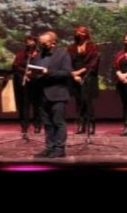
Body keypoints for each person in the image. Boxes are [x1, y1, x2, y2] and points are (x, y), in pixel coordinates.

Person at [31, 31, 73, 159]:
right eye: (40, 43)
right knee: (47, 123)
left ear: (52, 42)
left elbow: (66, 72)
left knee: (58, 122)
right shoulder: (38, 56)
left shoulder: (63, 54)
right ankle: (49, 148)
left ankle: (59, 148)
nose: (41, 45)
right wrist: (31, 75)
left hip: (57, 93)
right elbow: (35, 71)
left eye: (43, 43)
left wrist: (48, 72)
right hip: (41, 94)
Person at [67, 26, 100, 135]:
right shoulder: (71, 47)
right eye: (77, 32)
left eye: (82, 32)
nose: (79, 34)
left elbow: (93, 63)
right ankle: (81, 124)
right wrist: (73, 73)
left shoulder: (92, 46)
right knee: (79, 101)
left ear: (86, 34)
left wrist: (80, 72)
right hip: (75, 76)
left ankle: (91, 124)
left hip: (88, 75)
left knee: (87, 101)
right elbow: (68, 62)